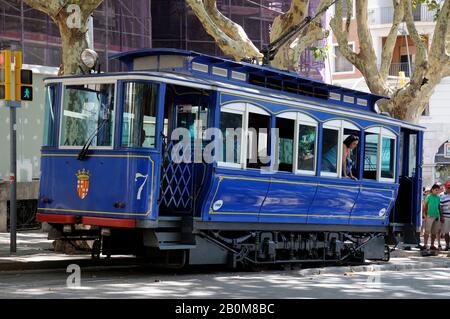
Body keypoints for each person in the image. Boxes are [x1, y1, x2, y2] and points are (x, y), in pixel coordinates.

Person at [423, 184, 442, 251]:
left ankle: (432, 245)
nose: (437, 191)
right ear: (432, 189)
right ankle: (425, 245)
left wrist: (440, 216)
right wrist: (424, 215)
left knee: (434, 232)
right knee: (427, 231)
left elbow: (439, 207)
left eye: (438, 190)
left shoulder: (438, 197)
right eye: (436, 190)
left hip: (437, 216)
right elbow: (425, 206)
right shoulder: (428, 196)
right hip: (429, 216)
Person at [440, 181, 450, 251]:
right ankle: (447, 245)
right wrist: (441, 216)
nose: (449, 189)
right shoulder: (442, 196)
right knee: (446, 232)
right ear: (446, 188)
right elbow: (440, 207)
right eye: (448, 188)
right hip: (445, 217)